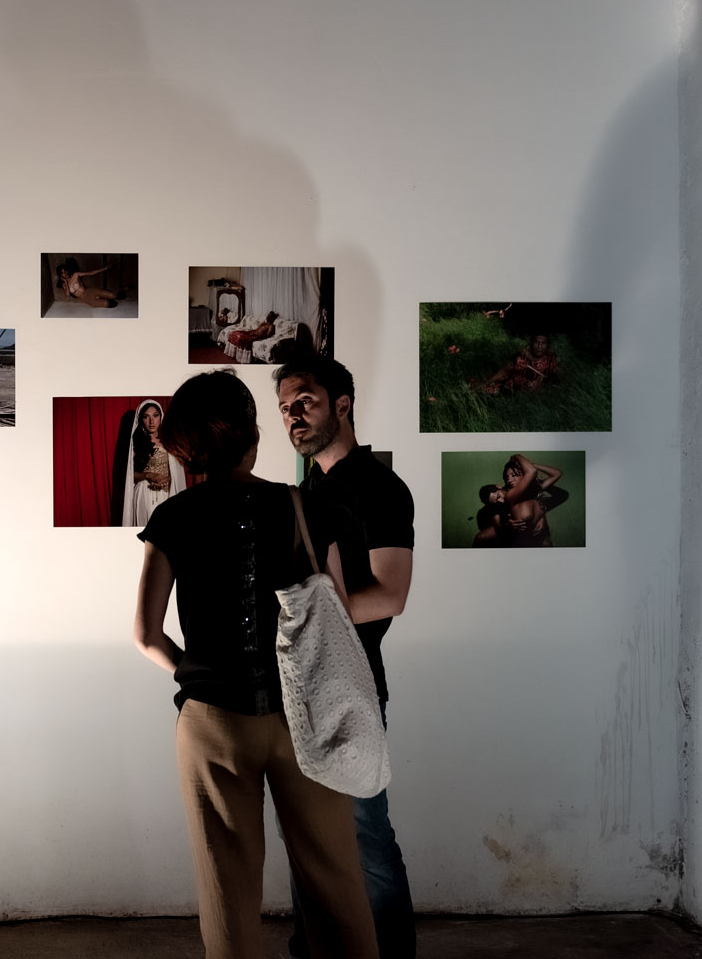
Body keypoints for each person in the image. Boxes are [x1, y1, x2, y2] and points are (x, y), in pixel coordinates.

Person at [134, 370, 378, 959]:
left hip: (213, 721)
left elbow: (146, 635)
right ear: (253, 432)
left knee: (227, 887)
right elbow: (339, 614)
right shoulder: (308, 507)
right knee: (335, 879)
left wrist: (198, 674)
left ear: (186, 445)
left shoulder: (174, 517)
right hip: (304, 716)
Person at [275, 352, 417, 959]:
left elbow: (391, 595)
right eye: (285, 407)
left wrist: (309, 616)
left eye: (304, 401)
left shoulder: (380, 488)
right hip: (299, 689)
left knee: (367, 838)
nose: (293, 415)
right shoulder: (304, 492)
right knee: (305, 838)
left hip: (355, 687)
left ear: (342, 404)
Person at [118, 399, 187, 528]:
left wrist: (167, 479)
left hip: (166, 493)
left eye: (155, 416)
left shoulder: (170, 443)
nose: (151, 421)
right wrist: (149, 475)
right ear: (141, 420)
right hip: (144, 493)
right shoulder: (135, 443)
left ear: (161, 417)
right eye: (146, 417)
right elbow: (129, 476)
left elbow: (177, 474)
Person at [480, 333, 559, 395]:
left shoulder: (552, 360)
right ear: (531, 343)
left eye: (543, 343)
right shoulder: (521, 357)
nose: (539, 346)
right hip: (511, 389)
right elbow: (504, 370)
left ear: (547, 346)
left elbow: (560, 380)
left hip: (537, 395)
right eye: (536, 342)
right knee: (482, 390)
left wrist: (542, 387)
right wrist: (487, 382)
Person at [53, 258, 121, 309]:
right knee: (107, 303)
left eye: (65, 271)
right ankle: (102, 297)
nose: (65, 273)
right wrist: (66, 282)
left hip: (90, 291)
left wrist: (104, 268)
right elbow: (67, 295)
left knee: (114, 295)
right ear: (60, 275)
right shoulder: (64, 285)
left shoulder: (75, 275)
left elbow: (90, 273)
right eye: (63, 273)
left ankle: (105, 295)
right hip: (86, 298)